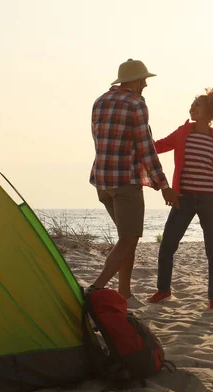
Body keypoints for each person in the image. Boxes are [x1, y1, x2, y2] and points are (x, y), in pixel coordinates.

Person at [90, 58, 180, 309]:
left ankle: (125, 293)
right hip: (125, 182)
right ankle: (96, 288)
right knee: (129, 239)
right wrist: (163, 185)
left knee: (125, 238)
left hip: (102, 181)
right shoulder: (137, 104)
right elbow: (145, 149)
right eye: (144, 80)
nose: (146, 86)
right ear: (137, 81)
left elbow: (98, 139)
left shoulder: (100, 101)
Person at [147, 88, 213, 310]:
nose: (192, 108)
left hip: (211, 199)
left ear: (209, 112)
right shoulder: (183, 133)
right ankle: (164, 290)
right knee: (168, 245)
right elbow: (159, 146)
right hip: (184, 197)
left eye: (197, 105)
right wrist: (143, 138)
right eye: (192, 105)